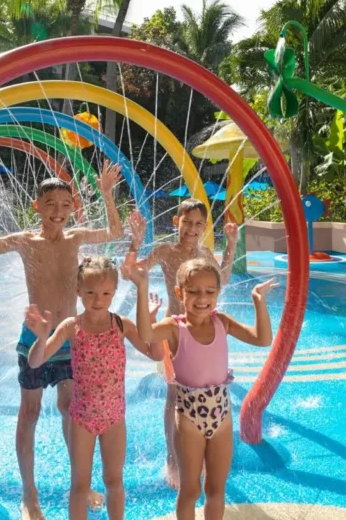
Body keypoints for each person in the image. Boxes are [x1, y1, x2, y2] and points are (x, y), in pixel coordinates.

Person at [0, 161, 124, 520]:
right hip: (36, 339)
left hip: (70, 339)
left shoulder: (76, 238)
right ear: (37, 206)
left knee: (72, 409)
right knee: (30, 412)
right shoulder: (25, 241)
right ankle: (29, 493)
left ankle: (81, 483)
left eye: (65, 205)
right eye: (50, 204)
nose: (58, 212)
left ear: (73, 207)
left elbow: (114, 231)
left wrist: (108, 194)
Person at [123, 258, 278, 520]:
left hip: (221, 417)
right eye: (193, 291)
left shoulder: (222, 322)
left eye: (209, 291)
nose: (202, 298)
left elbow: (262, 339)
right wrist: (141, 287)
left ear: (218, 293)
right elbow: (146, 334)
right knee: (191, 489)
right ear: (179, 293)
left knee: (216, 489)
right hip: (188, 419)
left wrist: (258, 300)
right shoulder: (174, 327)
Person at [26, 256, 165, 520]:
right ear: (78, 291)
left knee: (114, 481)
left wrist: (152, 323)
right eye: (90, 292)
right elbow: (35, 362)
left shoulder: (122, 325)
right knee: (79, 486)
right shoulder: (71, 326)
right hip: (82, 419)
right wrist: (42, 338)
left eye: (105, 293)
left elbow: (156, 354)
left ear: (114, 292)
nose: (98, 299)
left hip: (114, 417)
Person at [124, 199, 239, 488]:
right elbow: (132, 270)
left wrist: (231, 245)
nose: (192, 228)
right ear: (176, 222)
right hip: (174, 333)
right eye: (187, 222)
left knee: (202, 388)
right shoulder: (166, 251)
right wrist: (135, 243)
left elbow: (222, 278)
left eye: (199, 223)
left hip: (200, 333)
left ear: (205, 226)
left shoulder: (204, 253)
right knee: (175, 395)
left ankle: (200, 449)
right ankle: (172, 457)